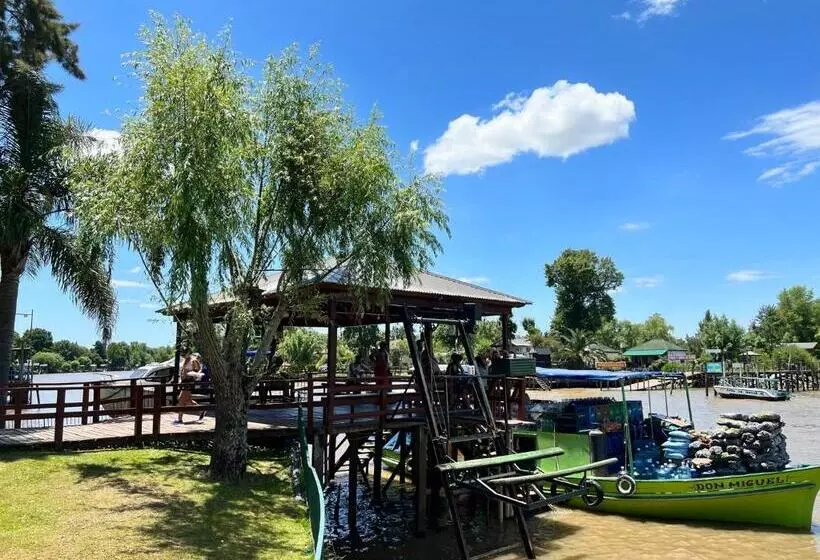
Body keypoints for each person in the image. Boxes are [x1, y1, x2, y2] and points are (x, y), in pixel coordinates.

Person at [175, 350, 205, 424]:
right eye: (182, 355)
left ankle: (180, 419)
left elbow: (198, 370)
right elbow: (183, 371)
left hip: (189, 382)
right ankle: (201, 410)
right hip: (184, 382)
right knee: (187, 400)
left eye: (184, 354)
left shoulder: (193, 360)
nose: (183, 356)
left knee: (181, 400)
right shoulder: (185, 360)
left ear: (188, 353)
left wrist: (192, 374)